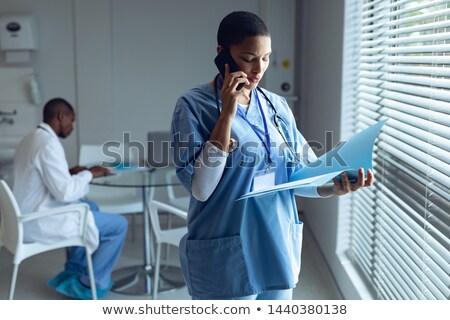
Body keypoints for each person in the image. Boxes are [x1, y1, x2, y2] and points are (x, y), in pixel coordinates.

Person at [170, 11, 374, 300]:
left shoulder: (275, 106)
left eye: (265, 58)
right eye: (248, 58)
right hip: (226, 257)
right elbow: (201, 189)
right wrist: (227, 113)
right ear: (222, 55)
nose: (258, 69)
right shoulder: (193, 106)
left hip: (276, 248)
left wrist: (333, 186)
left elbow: (299, 176)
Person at [12, 97, 128, 299]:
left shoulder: (31, 138)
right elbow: (65, 193)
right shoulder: (49, 144)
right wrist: (90, 173)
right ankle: (91, 283)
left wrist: (68, 172)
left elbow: (39, 177)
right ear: (60, 116)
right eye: (71, 121)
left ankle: (74, 269)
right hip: (38, 221)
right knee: (119, 226)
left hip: (24, 216)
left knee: (89, 205)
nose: (72, 127)